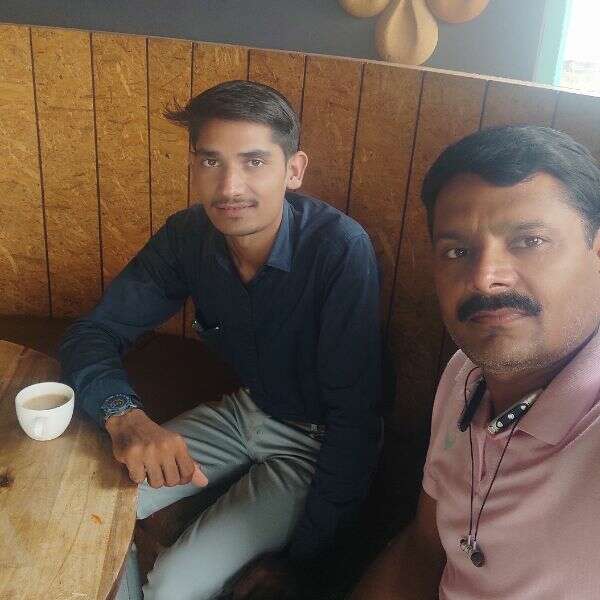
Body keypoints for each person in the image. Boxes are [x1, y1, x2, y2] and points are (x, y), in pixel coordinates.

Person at [60, 80, 382, 600]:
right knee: (83, 506)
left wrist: (304, 560)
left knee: (173, 586)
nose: (229, 187)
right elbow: (94, 332)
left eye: (254, 161)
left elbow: (357, 416)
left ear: (293, 170)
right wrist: (125, 416)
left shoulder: (339, 249)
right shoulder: (187, 235)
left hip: (316, 442)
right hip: (244, 411)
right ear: (194, 166)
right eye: (211, 161)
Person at [351, 125, 600, 600]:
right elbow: (426, 549)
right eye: (458, 251)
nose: (485, 278)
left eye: (529, 241)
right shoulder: (465, 375)